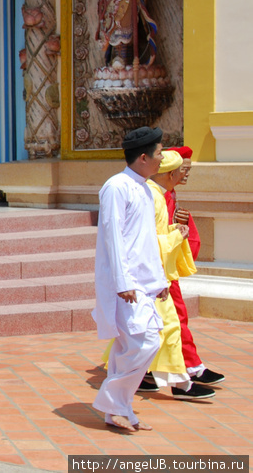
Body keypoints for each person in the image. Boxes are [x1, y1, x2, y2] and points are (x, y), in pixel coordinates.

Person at [91, 126, 169, 431]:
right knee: (143, 341)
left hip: (143, 283)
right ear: (143, 157)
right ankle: (113, 403)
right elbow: (113, 237)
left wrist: (159, 280)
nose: (163, 158)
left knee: (136, 343)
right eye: (160, 152)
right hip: (125, 285)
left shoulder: (146, 189)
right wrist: (123, 283)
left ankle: (118, 409)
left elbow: (145, 239)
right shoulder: (117, 187)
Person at [130, 151, 214, 400]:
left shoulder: (156, 193)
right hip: (155, 275)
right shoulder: (153, 197)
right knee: (169, 328)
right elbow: (149, 242)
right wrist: (178, 234)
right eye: (181, 169)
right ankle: (179, 384)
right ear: (170, 173)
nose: (184, 173)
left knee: (151, 331)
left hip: (156, 274)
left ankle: (142, 377)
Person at [162, 146, 225, 386]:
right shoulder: (159, 195)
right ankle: (190, 367)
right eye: (183, 169)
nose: (186, 174)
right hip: (162, 266)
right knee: (176, 317)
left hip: (167, 263)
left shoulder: (170, 193)